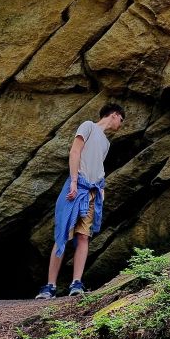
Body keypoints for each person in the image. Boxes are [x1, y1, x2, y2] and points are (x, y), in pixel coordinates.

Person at [34, 102, 125, 298]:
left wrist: (101, 188)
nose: (121, 124)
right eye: (121, 119)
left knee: (84, 236)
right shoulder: (88, 126)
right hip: (76, 187)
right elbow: (75, 152)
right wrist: (74, 181)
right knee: (63, 234)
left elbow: (97, 165)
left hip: (92, 191)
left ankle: (76, 283)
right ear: (114, 115)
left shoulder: (107, 143)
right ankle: (50, 285)